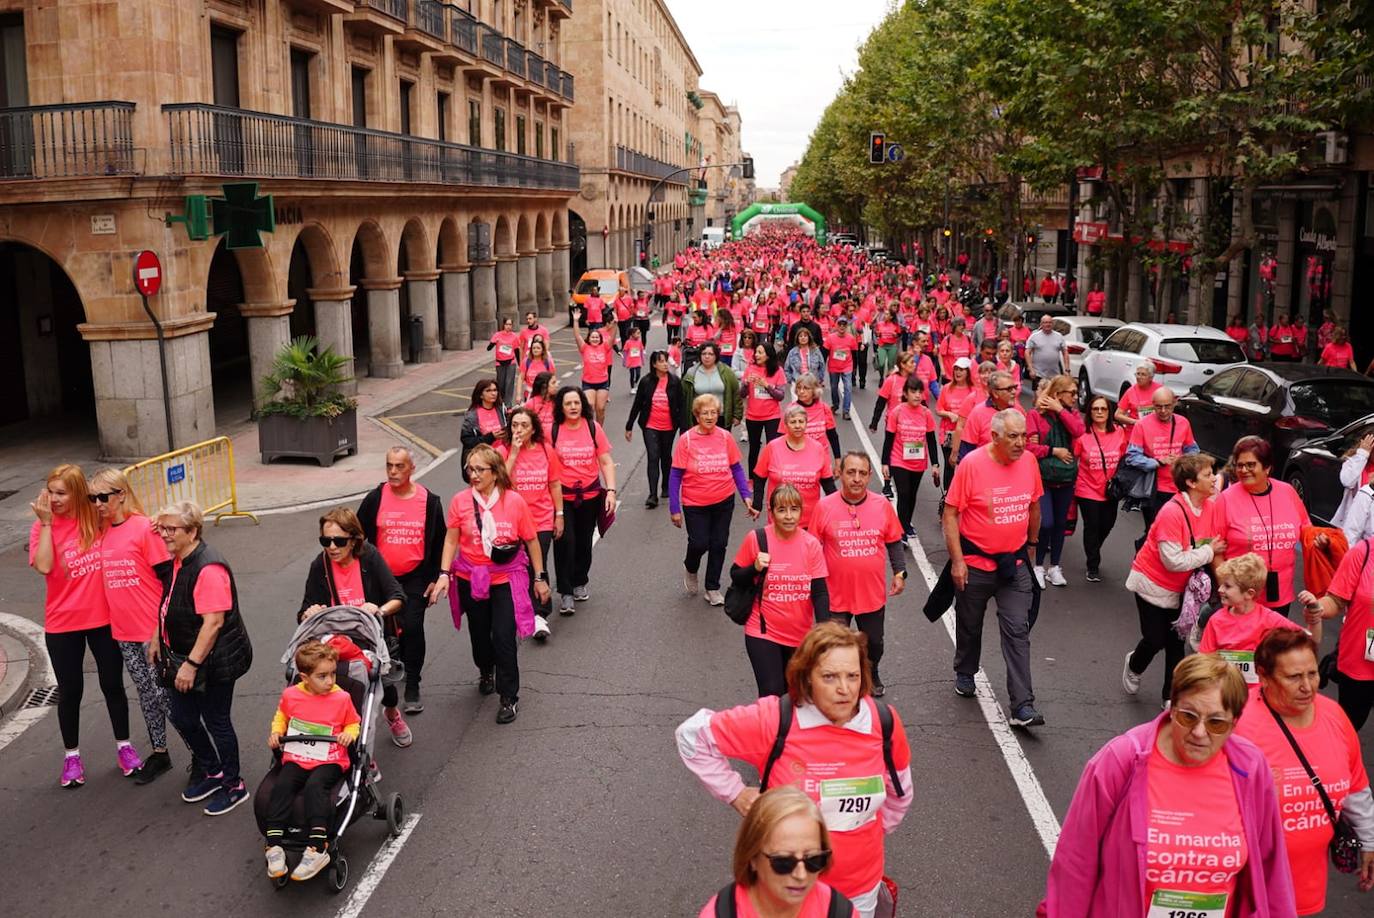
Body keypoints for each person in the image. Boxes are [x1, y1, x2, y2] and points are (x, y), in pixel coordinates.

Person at [677, 622, 912, 918]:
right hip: (783, 889)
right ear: (807, 677)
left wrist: (863, 832)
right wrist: (735, 793)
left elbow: (900, 794)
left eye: (852, 676)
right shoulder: (774, 720)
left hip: (858, 887)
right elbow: (692, 736)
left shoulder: (883, 723)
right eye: (829, 676)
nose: (844, 689)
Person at [1040, 654, 1297, 917]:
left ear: (1234, 723)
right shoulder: (1120, 760)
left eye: (1216, 723)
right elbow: (1076, 863)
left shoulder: (1250, 768)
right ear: (1171, 709)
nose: (1199, 732)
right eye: (1188, 717)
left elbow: (1271, 869)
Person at [1236, 629, 1374, 915]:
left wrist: (1369, 840)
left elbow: (1356, 785)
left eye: (1312, 674)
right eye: (1293, 677)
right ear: (1263, 676)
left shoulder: (1334, 715)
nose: (1308, 687)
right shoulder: (1237, 723)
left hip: (1305, 883)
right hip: (1244, 883)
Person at [29, 464, 132, 788]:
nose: (54, 498)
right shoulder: (42, 527)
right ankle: (71, 757)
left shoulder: (94, 517)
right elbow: (44, 565)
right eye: (51, 491)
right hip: (62, 624)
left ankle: (124, 748)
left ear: (77, 494)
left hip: (103, 620)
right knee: (70, 691)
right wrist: (46, 524)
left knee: (112, 685)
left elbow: (127, 520)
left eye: (61, 493)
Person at [944, 410, 1046, 727]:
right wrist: (958, 561)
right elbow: (950, 515)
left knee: (1017, 630)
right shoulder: (972, 465)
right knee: (970, 624)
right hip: (975, 564)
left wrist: (1031, 547)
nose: (1020, 443)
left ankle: (1022, 706)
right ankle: (965, 669)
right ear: (994, 437)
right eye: (1013, 437)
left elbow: (1034, 506)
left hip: (1013, 566)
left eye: (1023, 436)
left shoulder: (1029, 462)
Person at [436, 444, 550, 724]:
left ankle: (509, 696)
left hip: (506, 579)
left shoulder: (514, 501)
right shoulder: (460, 501)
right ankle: (486, 669)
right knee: (479, 635)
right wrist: (442, 573)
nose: (473, 474)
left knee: (503, 636)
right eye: (469, 469)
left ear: (495, 472)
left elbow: (532, 540)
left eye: (479, 469)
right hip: (470, 577)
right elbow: (451, 539)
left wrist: (539, 578)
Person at [153, 500, 254, 815]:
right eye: (162, 528)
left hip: (213, 662)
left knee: (216, 720)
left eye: (172, 529)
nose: (165, 534)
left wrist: (191, 665)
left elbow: (213, 624)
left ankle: (234, 785)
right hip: (184, 655)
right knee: (182, 716)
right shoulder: (179, 558)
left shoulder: (208, 567)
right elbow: (169, 601)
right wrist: (157, 636)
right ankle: (212, 771)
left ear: (193, 531)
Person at [91, 468, 174, 784]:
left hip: (152, 632)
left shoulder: (144, 529)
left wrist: (158, 629)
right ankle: (160, 752)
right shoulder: (102, 531)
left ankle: (203, 757)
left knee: (167, 698)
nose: (97, 503)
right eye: (93, 498)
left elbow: (168, 579)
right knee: (146, 694)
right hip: (123, 633)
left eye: (103, 497)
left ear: (121, 494)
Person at [299, 507, 409, 744]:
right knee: (344, 693)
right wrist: (309, 612)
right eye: (325, 541)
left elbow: (398, 596)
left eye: (338, 541)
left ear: (354, 540)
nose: (331, 547)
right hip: (337, 642)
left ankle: (392, 713)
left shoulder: (370, 557)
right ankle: (360, 749)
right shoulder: (320, 566)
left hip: (370, 636)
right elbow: (304, 609)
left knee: (385, 686)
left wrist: (378, 610)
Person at [1123, 454, 1224, 704]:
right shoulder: (1171, 512)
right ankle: (1134, 663)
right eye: (1208, 474)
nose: (1214, 478)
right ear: (1190, 482)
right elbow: (1173, 561)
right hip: (1153, 586)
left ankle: (1170, 699)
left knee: (1176, 644)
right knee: (1155, 639)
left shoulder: (1211, 507)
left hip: (1184, 592)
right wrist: (1208, 551)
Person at [356, 447, 446, 714]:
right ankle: (390, 671)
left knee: (413, 626)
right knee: (383, 629)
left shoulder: (429, 501)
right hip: (382, 577)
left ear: (412, 469)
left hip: (416, 577)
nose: (393, 472)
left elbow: (441, 541)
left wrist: (435, 577)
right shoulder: (375, 498)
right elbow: (357, 534)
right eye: (389, 466)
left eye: (399, 466)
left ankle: (413, 684)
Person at [811, 455, 909, 696]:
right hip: (834, 594)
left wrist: (899, 572)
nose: (856, 479)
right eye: (851, 472)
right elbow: (812, 548)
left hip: (870, 593)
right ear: (840, 473)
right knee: (832, 646)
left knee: (874, 644)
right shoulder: (824, 507)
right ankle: (834, 687)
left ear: (869, 476)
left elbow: (894, 541)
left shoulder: (882, 505)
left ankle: (871, 672)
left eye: (862, 473)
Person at [263, 640, 360, 882]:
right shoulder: (291, 695)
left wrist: (350, 733)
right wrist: (276, 732)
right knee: (283, 784)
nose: (330, 681)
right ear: (304, 678)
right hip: (298, 755)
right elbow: (281, 717)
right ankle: (273, 844)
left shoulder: (342, 698)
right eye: (322, 676)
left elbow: (353, 722)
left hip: (330, 758)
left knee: (316, 786)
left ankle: (317, 847)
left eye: (333, 674)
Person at [728, 485, 830, 697]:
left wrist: (825, 632)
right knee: (772, 694)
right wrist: (754, 568)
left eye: (794, 509)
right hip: (763, 630)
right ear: (771, 511)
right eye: (782, 510)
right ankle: (769, 729)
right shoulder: (757, 539)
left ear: (801, 511)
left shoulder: (811, 545)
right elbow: (735, 575)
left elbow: (819, 593)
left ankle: (785, 730)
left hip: (799, 635)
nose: (789, 516)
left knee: (795, 696)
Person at [697, 786, 855, 917]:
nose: (801, 875)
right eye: (784, 862)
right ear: (752, 858)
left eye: (813, 860)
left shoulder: (840, 912)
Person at [1213, 436, 1314, 616]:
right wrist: (1228, 588)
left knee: (1272, 643)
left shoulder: (1287, 492)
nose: (1244, 470)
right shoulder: (1225, 499)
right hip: (1241, 597)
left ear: (1267, 467)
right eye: (1239, 465)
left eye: (1251, 465)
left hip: (1280, 593)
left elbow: (1306, 529)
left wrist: (1321, 540)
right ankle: (1207, 616)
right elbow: (1215, 552)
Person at [671, 394, 756, 606]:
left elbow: (736, 468)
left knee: (719, 543)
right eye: (705, 413)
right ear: (697, 415)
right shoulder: (687, 440)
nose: (710, 417)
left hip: (723, 500)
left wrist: (746, 495)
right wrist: (675, 508)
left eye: (713, 413)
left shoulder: (725, 437)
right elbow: (675, 475)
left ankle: (712, 587)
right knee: (699, 543)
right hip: (695, 503)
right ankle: (691, 568)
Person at [496, 408, 564, 641]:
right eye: (515, 425)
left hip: (541, 518)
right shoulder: (502, 451)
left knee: (537, 563)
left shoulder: (546, 450)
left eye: (524, 425)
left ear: (533, 428)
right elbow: (498, 483)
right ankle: (522, 607)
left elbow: (554, 484)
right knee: (518, 566)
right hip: (511, 521)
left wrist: (560, 514)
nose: (519, 430)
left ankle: (539, 613)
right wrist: (513, 453)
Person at [550, 386, 617, 614]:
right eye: (568, 403)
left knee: (583, 542)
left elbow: (606, 461)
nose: (573, 407)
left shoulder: (592, 428)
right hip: (562, 498)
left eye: (576, 403)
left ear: (582, 405)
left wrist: (611, 491)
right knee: (564, 541)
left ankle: (579, 581)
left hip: (589, 495)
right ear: (561, 406)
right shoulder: (553, 431)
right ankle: (566, 591)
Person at [1298, 535, 1374, 729]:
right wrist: (1318, 607)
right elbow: (1336, 600)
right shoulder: (1363, 552)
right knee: (1348, 727)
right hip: (1360, 664)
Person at [1199, 555, 1312, 681]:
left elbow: (1307, 639)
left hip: (1261, 694)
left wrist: (1315, 617)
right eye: (1221, 585)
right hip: (1226, 692)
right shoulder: (1216, 620)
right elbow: (1204, 661)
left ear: (1249, 593)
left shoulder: (1270, 619)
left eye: (1227, 586)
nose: (1220, 590)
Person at [1124, 386, 1199, 533]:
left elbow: (1193, 450)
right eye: (1158, 407)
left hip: (1180, 488)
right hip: (1153, 489)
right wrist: (1157, 462)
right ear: (1153, 405)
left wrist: (1182, 459)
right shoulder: (1142, 425)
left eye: (1167, 406)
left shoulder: (1183, 423)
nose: (1163, 411)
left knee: (1176, 532)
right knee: (1154, 531)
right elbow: (1131, 457)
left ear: (1174, 403)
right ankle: (1143, 555)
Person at [753, 404, 836, 531]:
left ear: (806, 424)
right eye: (793, 422)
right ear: (785, 425)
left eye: (801, 421)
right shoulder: (773, 447)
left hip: (809, 519)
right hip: (780, 518)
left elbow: (828, 483)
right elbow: (759, 477)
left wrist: (839, 508)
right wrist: (757, 505)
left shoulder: (817, 448)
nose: (797, 426)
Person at [1073, 395, 1126, 582]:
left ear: (1109, 412)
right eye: (1095, 409)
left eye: (1103, 409)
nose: (1100, 412)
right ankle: (1092, 565)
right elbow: (1073, 459)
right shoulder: (1083, 434)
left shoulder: (1119, 432)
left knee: (1107, 524)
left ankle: (1094, 548)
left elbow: (1125, 458)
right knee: (1092, 526)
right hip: (1086, 488)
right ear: (1090, 412)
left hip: (1110, 490)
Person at [881, 377, 941, 539]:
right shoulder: (897, 412)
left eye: (920, 392)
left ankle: (906, 524)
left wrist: (935, 464)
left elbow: (931, 440)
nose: (917, 395)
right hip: (898, 460)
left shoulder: (926, 414)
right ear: (906, 394)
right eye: (913, 392)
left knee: (912, 495)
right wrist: (885, 463)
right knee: (904, 493)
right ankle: (901, 530)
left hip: (918, 462)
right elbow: (889, 439)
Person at [626, 349, 685, 509]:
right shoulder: (646, 382)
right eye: (661, 361)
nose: (665, 364)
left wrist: (684, 429)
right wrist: (629, 425)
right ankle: (652, 495)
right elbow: (637, 404)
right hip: (650, 426)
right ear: (654, 364)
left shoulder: (675, 382)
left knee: (666, 457)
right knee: (653, 456)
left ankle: (665, 486)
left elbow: (682, 405)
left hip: (669, 426)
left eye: (666, 360)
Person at [743, 341, 787, 493]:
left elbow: (780, 396)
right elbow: (742, 394)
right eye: (756, 352)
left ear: (768, 355)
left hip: (772, 417)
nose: (756, 355)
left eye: (760, 352)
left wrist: (766, 385)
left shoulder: (777, 371)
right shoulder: (750, 369)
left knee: (773, 449)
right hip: (753, 416)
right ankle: (752, 479)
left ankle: (775, 478)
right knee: (754, 449)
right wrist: (745, 384)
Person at [951, 369, 1023, 461]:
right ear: (995, 393)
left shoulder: (1019, 411)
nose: (1014, 392)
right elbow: (967, 450)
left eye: (1014, 387)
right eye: (1009, 389)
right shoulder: (977, 413)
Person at [683, 342, 744, 436]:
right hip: (699, 418)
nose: (707, 357)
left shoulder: (726, 372)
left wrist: (737, 415)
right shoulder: (691, 373)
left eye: (710, 354)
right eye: (704, 354)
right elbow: (684, 396)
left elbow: (735, 393)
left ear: (716, 356)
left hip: (721, 417)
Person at [572, 312, 618, 425]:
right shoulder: (584, 348)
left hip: (602, 382)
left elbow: (612, 337)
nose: (595, 339)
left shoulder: (605, 347)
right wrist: (576, 321)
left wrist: (616, 323)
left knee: (601, 409)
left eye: (597, 337)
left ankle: (599, 431)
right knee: (590, 407)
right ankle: (590, 429)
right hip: (588, 383)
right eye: (593, 337)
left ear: (600, 339)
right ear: (589, 338)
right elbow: (577, 336)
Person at [459, 377, 508, 469]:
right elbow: (467, 441)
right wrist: (491, 437)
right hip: (484, 462)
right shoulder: (472, 416)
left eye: (495, 390)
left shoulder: (501, 409)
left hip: (502, 458)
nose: (493, 393)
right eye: (488, 391)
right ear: (481, 395)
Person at [792, 374, 841, 464]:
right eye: (799, 388)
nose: (801, 391)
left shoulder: (824, 408)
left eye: (806, 388)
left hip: (821, 461)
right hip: (798, 461)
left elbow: (833, 436)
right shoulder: (791, 410)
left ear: (814, 390)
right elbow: (781, 438)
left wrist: (838, 461)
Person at [825, 315, 858, 418]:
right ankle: (835, 405)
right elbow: (825, 353)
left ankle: (846, 411)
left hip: (847, 366)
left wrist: (854, 367)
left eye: (844, 325)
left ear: (847, 326)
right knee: (834, 387)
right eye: (840, 324)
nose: (842, 327)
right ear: (836, 326)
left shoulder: (851, 338)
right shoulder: (830, 338)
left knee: (847, 387)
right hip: (833, 367)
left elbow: (854, 353)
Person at [1113, 363, 1164, 427]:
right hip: (1134, 429)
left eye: (1143, 374)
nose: (1139, 377)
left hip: (1154, 428)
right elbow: (1117, 415)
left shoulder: (1160, 390)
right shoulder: (1131, 391)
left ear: (1151, 377)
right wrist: (1135, 422)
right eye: (1138, 374)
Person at [487, 316, 522, 405]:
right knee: (501, 384)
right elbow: (489, 348)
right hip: (500, 363)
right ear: (503, 325)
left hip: (511, 362)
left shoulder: (514, 336)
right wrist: (493, 343)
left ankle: (508, 404)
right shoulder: (498, 335)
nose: (508, 326)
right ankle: (500, 402)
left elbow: (516, 351)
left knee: (509, 384)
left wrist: (520, 365)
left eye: (510, 324)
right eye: (507, 324)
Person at [1025, 314, 1068, 385]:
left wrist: (1067, 369)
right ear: (1041, 324)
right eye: (1045, 322)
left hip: (1055, 374)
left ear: (1052, 324)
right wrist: (1031, 369)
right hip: (1038, 374)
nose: (1048, 324)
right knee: (1039, 395)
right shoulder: (1034, 336)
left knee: (1053, 395)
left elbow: (1065, 352)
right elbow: (1027, 352)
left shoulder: (1059, 336)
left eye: (1050, 322)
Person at [517, 335, 555, 402]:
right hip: (529, 395)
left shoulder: (548, 362)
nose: (535, 350)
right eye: (534, 348)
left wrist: (551, 393)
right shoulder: (526, 361)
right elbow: (520, 378)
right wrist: (518, 395)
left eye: (538, 348)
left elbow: (553, 379)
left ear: (542, 349)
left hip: (544, 395)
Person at [622, 326, 646, 391]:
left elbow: (641, 351)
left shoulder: (639, 342)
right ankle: (632, 387)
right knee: (632, 375)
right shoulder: (628, 342)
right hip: (631, 362)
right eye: (637, 333)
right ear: (632, 334)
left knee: (638, 374)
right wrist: (624, 361)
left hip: (638, 361)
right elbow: (625, 352)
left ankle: (635, 382)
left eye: (639, 333)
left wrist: (643, 360)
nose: (639, 335)